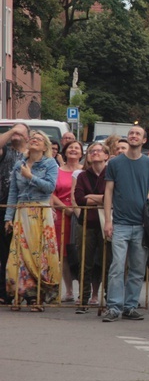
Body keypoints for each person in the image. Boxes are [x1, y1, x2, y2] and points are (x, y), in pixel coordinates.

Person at [102, 125, 149, 322]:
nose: (133, 136)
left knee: (137, 268)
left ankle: (130, 306)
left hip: (142, 224)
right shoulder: (115, 163)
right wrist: (108, 220)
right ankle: (114, 307)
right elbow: (108, 192)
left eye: (137, 134)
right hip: (120, 223)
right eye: (131, 133)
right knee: (117, 266)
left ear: (144, 140)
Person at [4, 131, 59, 310]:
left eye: (39, 139)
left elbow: (50, 187)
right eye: (32, 138)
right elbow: (13, 192)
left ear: (45, 146)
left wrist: (30, 177)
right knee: (19, 255)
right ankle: (19, 295)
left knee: (39, 255)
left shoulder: (50, 163)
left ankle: (38, 298)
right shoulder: (19, 164)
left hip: (41, 212)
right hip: (22, 211)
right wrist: (8, 217)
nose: (34, 140)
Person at [73, 142, 109, 314]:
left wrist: (92, 197)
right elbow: (79, 199)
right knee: (85, 262)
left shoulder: (111, 174)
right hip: (87, 222)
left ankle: (110, 299)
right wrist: (102, 198)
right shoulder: (82, 176)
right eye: (91, 151)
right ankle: (83, 298)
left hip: (106, 223)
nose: (94, 153)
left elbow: (114, 197)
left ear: (106, 155)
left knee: (107, 262)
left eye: (98, 151)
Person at [0, 123, 29, 305]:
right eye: (14, 130)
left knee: (25, 253)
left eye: (21, 130)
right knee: (5, 253)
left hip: (26, 209)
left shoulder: (32, 154)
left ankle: (27, 292)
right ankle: (5, 292)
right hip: (4, 207)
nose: (17, 132)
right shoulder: (6, 151)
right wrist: (11, 131)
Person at [52, 139, 84, 302]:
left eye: (77, 148)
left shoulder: (85, 171)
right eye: (70, 147)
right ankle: (69, 290)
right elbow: (51, 193)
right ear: (64, 152)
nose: (73, 150)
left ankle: (83, 290)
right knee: (64, 255)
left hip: (81, 216)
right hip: (61, 216)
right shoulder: (57, 171)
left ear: (81, 152)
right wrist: (65, 209)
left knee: (81, 253)